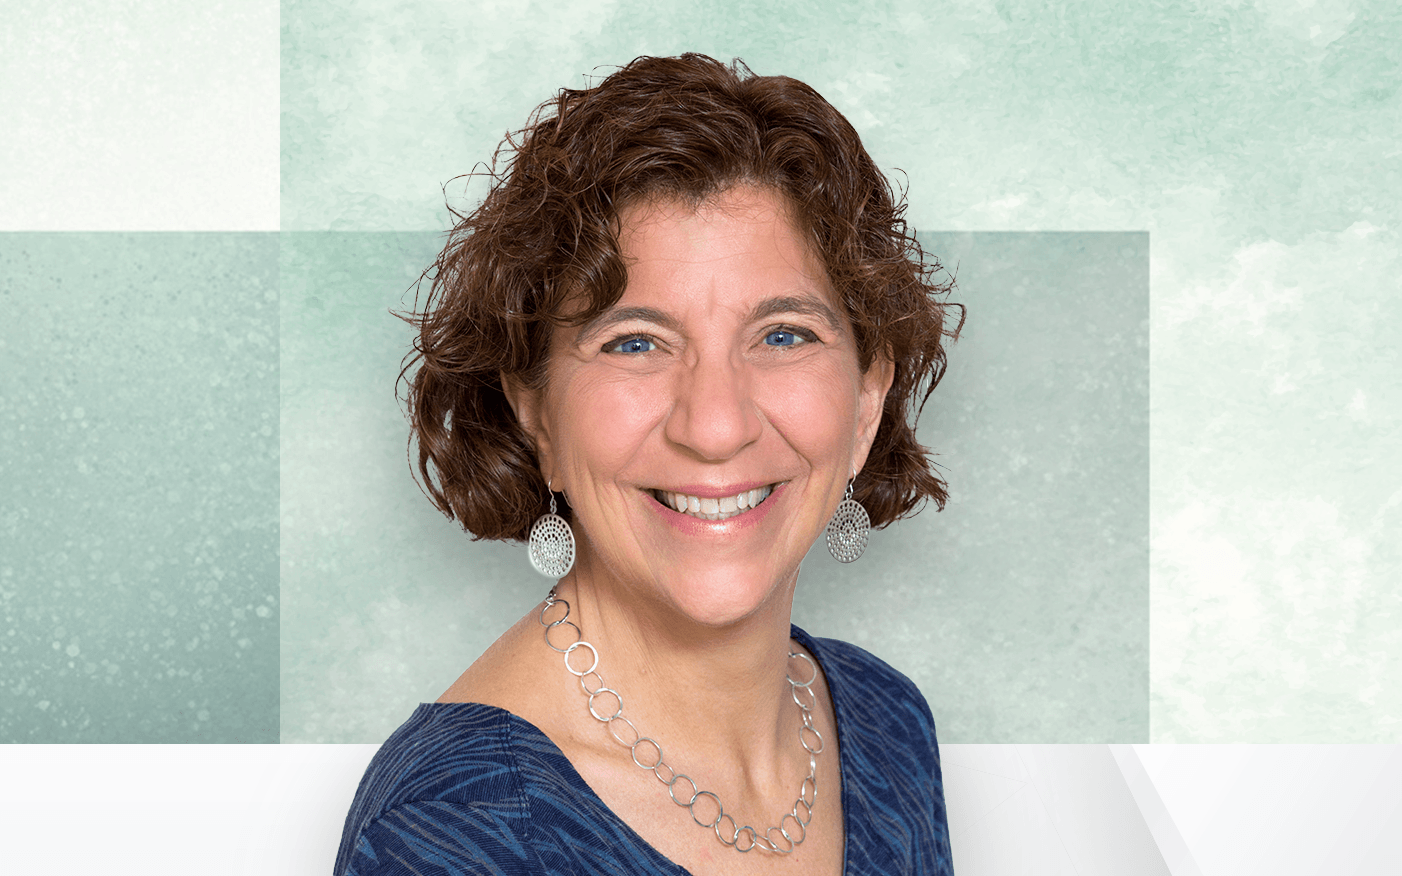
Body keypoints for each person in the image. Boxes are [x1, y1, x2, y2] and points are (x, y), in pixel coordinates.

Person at [335, 53, 961, 875]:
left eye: (783, 335)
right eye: (636, 342)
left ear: (867, 399)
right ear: (536, 410)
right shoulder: (447, 833)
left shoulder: (888, 726)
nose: (715, 425)